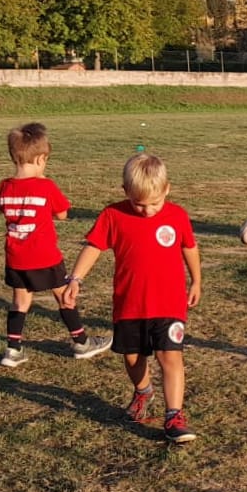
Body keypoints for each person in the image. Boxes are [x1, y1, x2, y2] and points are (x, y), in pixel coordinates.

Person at [63, 154, 202, 443]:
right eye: (139, 203)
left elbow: (189, 247)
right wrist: (75, 278)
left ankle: (174, 415)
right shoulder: (113, 215)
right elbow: (93, 247)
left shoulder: (177, 216)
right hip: (130, 305)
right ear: (125, 191)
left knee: (170, 356)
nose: (148, 210)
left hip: (169, 303)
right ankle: (143, 391)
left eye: (154, 203)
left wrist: (196, 280)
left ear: (167, 190)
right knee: (132, 357)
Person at [0, 122, 111, 368]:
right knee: (64, 297)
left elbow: (4, 208)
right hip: (45, 257)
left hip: (16, 258)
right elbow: (62, 214)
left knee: (20, 301)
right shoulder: (46, 186)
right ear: (40, 159)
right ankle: (81, 342)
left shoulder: (4, 186)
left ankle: (13, 350)